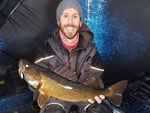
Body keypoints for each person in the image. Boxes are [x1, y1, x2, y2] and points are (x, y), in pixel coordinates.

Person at [32, 0, 113, 113]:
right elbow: (35, 87)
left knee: (103, 109)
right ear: (59, 21)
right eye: (65, 16)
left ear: (80, 22)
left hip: (85, 98)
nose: (70, 22)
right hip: (55, 98)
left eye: (75, 16)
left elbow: (96, 78)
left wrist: (97, 91)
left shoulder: (92, 52)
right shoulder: (44, 50)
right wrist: (26, 75)